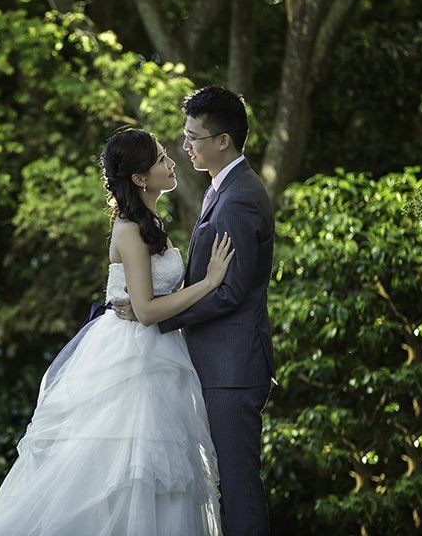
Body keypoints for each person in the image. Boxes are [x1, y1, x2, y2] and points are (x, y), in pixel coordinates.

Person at [0, 126, 234, 536]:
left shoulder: (152, 222)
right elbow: (144, 311)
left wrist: (177, 294)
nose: (172, 161)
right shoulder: (128, 228)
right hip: (132, 356)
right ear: (140, 178)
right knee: (125, 471)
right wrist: (209, 283)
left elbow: (153, 299)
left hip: (160, 350)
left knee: (163, 473)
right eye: (162, 158)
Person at [115, 87, 275, 536]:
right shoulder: (220, 190)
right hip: (212, 363)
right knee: (227, 484)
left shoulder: (240, 196)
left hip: (232, 367)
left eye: (193, 137)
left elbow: (229, 293)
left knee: (240, 486)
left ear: (222, 140)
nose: (185, 147)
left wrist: (156, 315)